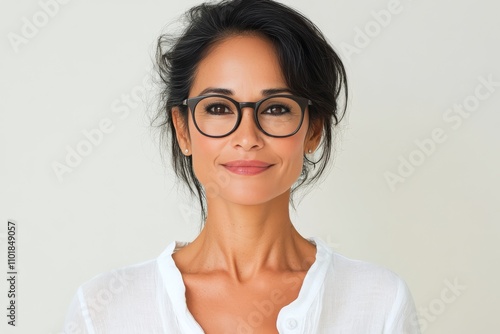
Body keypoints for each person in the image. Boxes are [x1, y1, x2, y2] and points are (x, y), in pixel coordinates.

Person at [63, 0, 421, 333]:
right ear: (183, 129)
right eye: (218, 108)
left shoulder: (380, 302)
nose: (247, 137)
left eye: (277, 108)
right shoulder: (102, 310)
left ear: (313, 129)